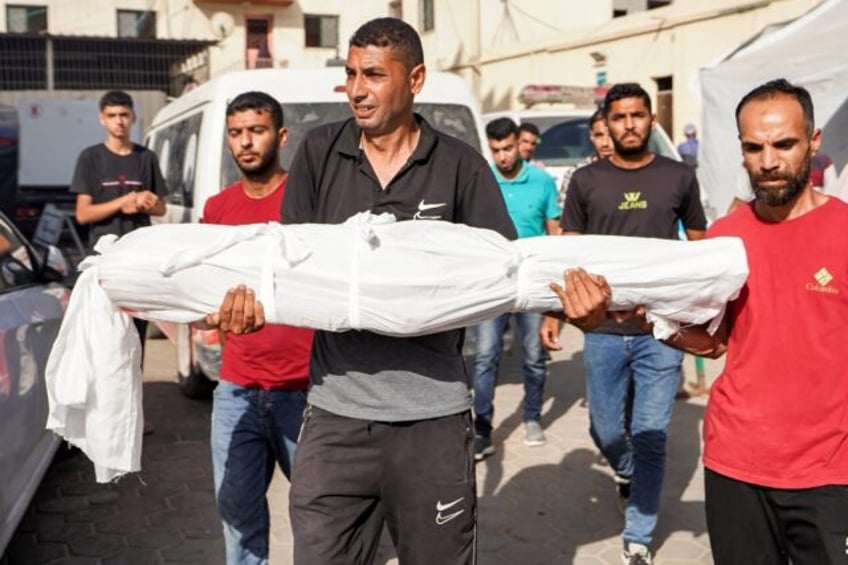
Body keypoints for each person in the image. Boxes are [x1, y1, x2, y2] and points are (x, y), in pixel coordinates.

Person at [208, 17, 609, 565]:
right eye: (350, 73)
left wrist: (573, 302)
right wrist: (255, 304)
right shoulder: (320, 152)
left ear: (415, 78)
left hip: (433, 421)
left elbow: (504, 272)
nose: (356, 89)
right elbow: (291, 264)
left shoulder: (460, 165)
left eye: (373, 74)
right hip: (334, 418)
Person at [651, 78, 848, 565]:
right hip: (735, 463)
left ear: (814, 142)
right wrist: (647, 319)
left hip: (829, 474)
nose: (768, 161)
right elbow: (713, 342)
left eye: (784, 144)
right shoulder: (724, 239)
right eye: (754, 147)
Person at [541, 82, 708, 565]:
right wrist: (555, 314)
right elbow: (567, 255)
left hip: (660, 331)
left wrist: (702, 313)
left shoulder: (679, 176)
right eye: (620, 117)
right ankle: (629, 472)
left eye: (638, 116)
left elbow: (700, 245)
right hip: (603, 331)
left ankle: (639, 533)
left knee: (652, 432)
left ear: (651, 120)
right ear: (607, 125)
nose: (629, 124)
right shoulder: (587, 181)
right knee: (606, 430)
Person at [202, 91, 313, 565]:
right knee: (238, 515)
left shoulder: (308, 201)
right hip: (237, 390)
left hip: (306, 389)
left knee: (320, 517)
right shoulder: (217, 208)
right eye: (236, 133)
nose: (246, 142)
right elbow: (203, 290)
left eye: (257, 130)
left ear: (280, 136)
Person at [70, 89, 166, 435]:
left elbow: (162, 208)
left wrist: (147, 202)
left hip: (137, 262)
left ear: (133, 117)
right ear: (102, 119)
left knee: (134, 343)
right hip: (103, 264)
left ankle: (133, 416)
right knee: (103, 341)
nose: (119, 122)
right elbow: (83, 213)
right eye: (112, 116)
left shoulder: (146, 158)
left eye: (124, 115)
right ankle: (100, 417)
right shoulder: (90, 159)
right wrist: (121, 203)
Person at [472, 117, 560, 460]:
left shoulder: (541, 182)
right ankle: (482, 429)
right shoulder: (481, 180)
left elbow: (554, 230)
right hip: (491, 285)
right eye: (495, 150)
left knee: (535, 354)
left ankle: (532, 417)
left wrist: (556, 288)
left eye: (507, 148)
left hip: (533, 283)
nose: (503, 156)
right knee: (484, 357)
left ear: (518, 143)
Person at [557, 108, 614, 207]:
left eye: (611, 135)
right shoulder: (576, 174)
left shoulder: (635, 171)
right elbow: (565, 217)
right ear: (591, 136)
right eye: (599, 135)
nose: (605, 143)